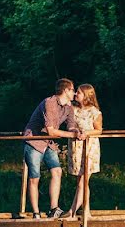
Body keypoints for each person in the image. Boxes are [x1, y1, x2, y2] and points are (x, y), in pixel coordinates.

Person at [23, 78, 84, 219]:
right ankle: (36, 213)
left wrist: (77, 132)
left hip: (48, 143)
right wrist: (71, 134)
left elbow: (71, 125)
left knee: (57, 171)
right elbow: (51, 130)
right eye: (73, 90)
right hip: (34, 141)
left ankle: (53, 209)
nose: (74, 93)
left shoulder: (68, 107)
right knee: (34, 178)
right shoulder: (49, 102)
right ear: (66, 90)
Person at [67, 84, 103, 219]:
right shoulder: (73, 109)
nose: (76, 94)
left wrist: (86, 133)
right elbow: (70, 125)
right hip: (75, 146)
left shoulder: (94, 112)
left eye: (79, 92)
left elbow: (99, 130)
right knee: (80, 181)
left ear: (87, 96)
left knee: (84, 179)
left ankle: (72, 210)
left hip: (89, 147)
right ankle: (86, 210)